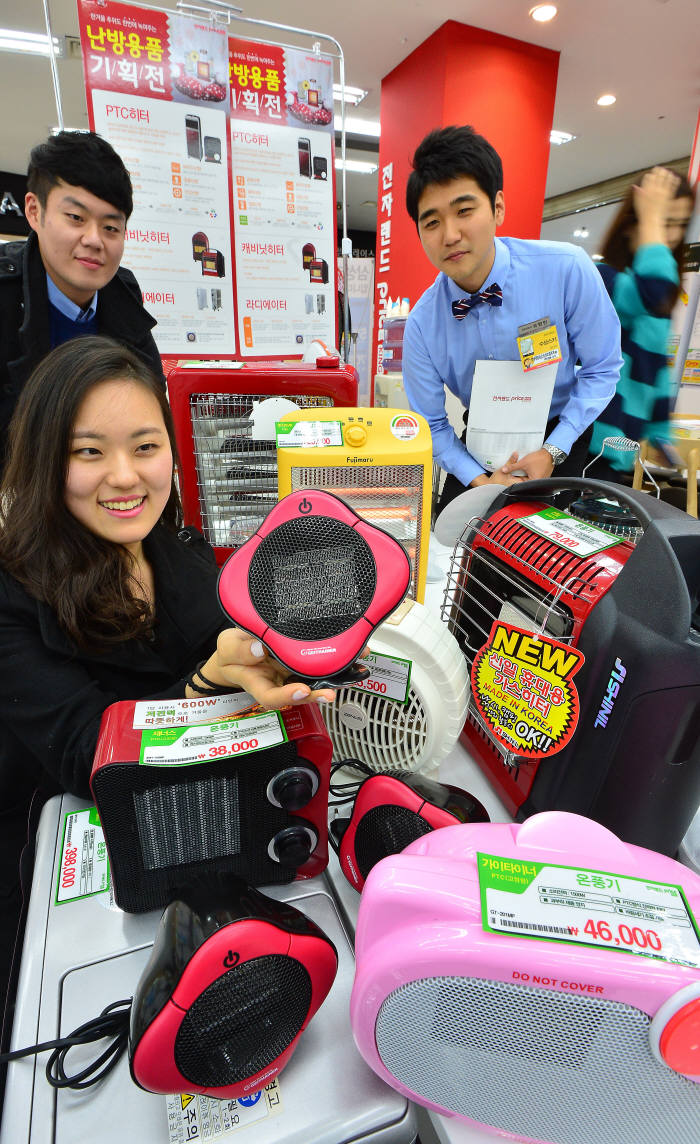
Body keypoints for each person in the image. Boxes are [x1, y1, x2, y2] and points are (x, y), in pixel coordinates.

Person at [0, 335, 335, 1054]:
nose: (124, 477)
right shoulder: (13, 593)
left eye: (145, 446)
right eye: (88, 451)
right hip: (77, 868)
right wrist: (211, 683)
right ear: (44, 460)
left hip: (217, 835)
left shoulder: (171, 547)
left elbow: (231, 638)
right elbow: (89, 753)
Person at [401, 125, 623, 509]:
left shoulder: (566, 269)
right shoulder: (422, 324)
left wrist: (554, 449)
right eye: (432, 222)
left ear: (497, 207)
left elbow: (603, 368)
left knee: (555, 554)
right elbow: (431, 424)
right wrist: (480, 480)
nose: (450, 234)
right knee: (451, 544)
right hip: (479, 445)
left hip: (562, 433)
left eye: (464, 211)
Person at [0, 130, 165, 466]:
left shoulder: (123, 293)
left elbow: (153, 411)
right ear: (35, 211)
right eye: (76, 218)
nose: (94, 240)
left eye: (110, 227)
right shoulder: (5, 290)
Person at [587, 165, 695, 481]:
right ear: (631, 224)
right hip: (585, 449)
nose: (671, 236)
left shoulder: (653, 296)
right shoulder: (606, 281)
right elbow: (654, 289)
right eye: (663, 222)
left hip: (618, 456)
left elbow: (656, 370)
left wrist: (661, 432)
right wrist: (650, 218)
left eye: (680, 225)